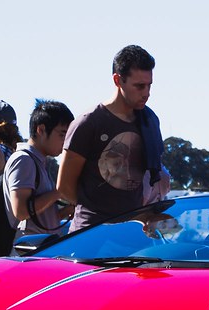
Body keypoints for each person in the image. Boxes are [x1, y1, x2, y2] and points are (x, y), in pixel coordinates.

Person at [57, 44, 169, 231]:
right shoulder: (88, 123)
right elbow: (64, 186)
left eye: (149, 85)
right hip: (90, 232)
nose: (146, 93)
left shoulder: (149, 121)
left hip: (130, 232)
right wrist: (100, 212)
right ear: (118, 80)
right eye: (139, 86)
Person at [4, 100, 75, 236]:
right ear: (40, 130)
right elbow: (21, 212)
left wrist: (65, 212)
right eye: (62, 134)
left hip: (39, 249)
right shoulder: (24, 160)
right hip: (27, 254)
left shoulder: (38, 162)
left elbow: (38, 221)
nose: (66, 141)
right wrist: (60, 191)